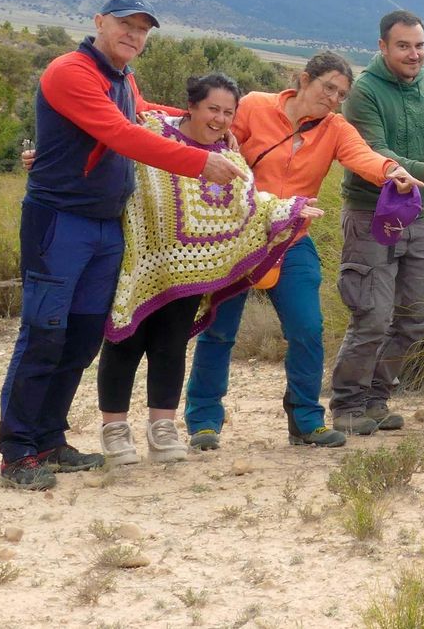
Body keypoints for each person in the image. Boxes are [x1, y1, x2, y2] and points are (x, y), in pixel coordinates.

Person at [0, 0, 247, 491]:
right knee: (44, 334)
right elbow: (118, 132)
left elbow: (143, 112)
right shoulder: (70, 72)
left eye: (142, 30)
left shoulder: (122, 79)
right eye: (124, 25)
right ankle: (17, 451)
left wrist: (203, 120)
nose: (133, 35)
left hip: (107, 225)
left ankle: (49, 439)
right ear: (98, 23)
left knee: (84, 336)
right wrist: (200, 159)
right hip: (60, 222)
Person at [183, 52, 418, 449]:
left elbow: (362, 157)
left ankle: (306, 420)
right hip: (237, 237)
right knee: (220, 329)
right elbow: (217, 137)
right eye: (328, 87)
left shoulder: (336, 128)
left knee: (308, 328)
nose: (333, 98)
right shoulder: (255, 105)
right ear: (304, 80)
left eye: (341, 93)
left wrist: (391, 171)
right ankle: (204, 421)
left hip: (291, 240)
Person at [98, 73, 323, 464]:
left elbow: (250, 205)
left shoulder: (230, 161)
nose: (219, 119)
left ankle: (162, 428)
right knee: (125, 341)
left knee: (170, 346)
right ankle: (115, 429)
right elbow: (106, 139)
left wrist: (292, 208)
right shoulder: (150, 131)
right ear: (192, 106)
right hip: (139, 262)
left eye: (228, 112)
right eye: (212, 109)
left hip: (191, 271)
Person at [327, 10, 424, 434]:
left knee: (417, 314)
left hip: (418, 217)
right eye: (403, 45)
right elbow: (373, 152)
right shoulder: (363, 91)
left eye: (419, 46)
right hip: (370, 214)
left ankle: (377, 399)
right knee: (372, 315)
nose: (413, 54)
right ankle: (347, 405)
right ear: (382, 47)